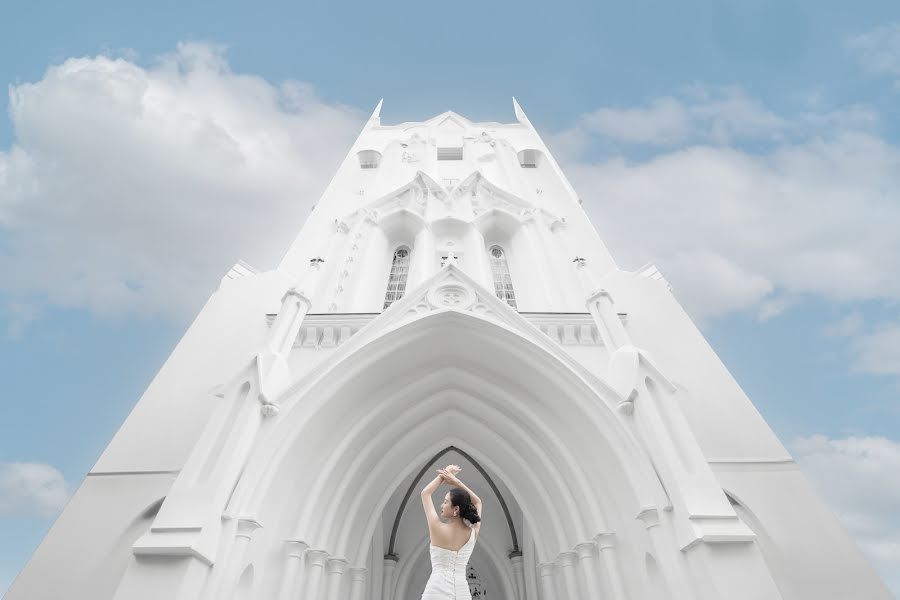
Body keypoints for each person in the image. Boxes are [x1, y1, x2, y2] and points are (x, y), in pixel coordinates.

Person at [419, 464, 483, 600]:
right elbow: (478, 502)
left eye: (445, 502)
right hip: (462, 593)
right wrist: (455, 481)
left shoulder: (436, 528)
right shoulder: (473, 533)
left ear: (456, 509)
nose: (441, 505)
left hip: (435, 592)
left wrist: (443, 475)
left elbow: (425, 493)